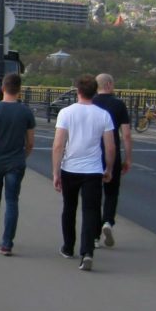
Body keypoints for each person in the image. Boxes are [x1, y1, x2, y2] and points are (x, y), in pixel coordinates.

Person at [52, 74, 114, 271]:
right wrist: (109, 168)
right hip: (93, 170)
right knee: (91, 211)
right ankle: (87, 252)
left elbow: (58, 145)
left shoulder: (66, 113)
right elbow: (110, 147)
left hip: (70, 168)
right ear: (95, 91)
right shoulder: (103, 115)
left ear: (77, 91)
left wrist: (55, 172)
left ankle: (68, 246)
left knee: (69, 207)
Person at [0, 72, 35, 256]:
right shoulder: (26, 111)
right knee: (12, 201)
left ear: (3, 88)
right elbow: (30, 143)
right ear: (19, 90)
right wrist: (23, 156)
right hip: (16, 162)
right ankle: (7, 243)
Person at [92, 73, 132, 246]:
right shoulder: (118, 104)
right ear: (109, 84)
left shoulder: (90, 103)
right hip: (112, 152)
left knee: (92, 195)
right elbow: (127, 135)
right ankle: (107, 221)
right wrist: (128, 157)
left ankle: (93, 236)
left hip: (92, 154)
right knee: (111, 191)